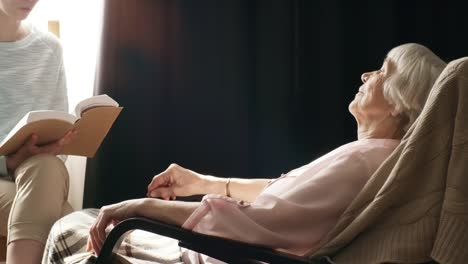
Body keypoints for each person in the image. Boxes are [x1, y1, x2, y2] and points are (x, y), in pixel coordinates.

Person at [42, 43, 447, 264]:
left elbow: (257, 219)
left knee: (72, 228)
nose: (366, 75)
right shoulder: (377, 160)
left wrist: (139, 206)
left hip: (227, 257)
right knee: (84, 224)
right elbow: (285, 194)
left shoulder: (365, 159)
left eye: (382, 70)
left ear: (399, 101)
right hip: (240, 252)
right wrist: (203, 182)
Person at [0, 0, 77, 263]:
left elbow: (58, 123)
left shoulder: (50, 49)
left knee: (47, 166)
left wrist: (56, 146)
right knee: (67, 220)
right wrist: (8, 163)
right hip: (7, 177)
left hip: (36, 173)